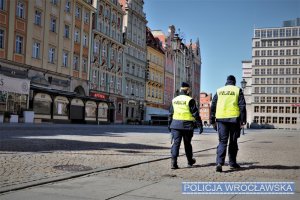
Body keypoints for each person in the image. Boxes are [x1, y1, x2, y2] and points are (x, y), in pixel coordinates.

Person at [210, 75, 247, 172]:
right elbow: (242, 106)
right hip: (234, 120)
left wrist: (212, 120)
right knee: (233, 142)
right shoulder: (237, 90)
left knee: (222, 141)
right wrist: (243, 121)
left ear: (226, 81)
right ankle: (232, 163)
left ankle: (219, 163)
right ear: (234, 82)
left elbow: (213, 105)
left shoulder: (219, 91)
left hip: (221, 119)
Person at [168, 82, 203, 169]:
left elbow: (170, 113)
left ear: (181, 89)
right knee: (187, 144)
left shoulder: (174, 100)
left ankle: (174, 163)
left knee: (176, 144)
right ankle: (189, 162)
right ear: (187, 90)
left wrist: (169, 125)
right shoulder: (190, 100)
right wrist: (200, 125)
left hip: (175, 125)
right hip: (187, 126)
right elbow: (195, 113)